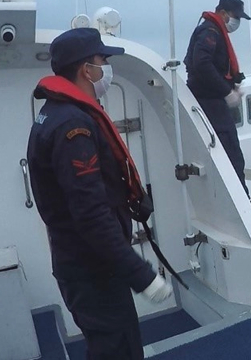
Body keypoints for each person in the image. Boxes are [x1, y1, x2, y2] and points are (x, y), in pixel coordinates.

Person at [27, 28, 173, 359]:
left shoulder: (57, 113)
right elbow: (90, 214)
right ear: (86, 70)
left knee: (118, 346)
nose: (107, 67)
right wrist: (141, 275)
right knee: (117, 350)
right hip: (92, 269)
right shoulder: (72, 126)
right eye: (102, 60)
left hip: (87, 262)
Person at [184, 0, 251, 228]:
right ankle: (245, 214)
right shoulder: (210, 32)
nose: (237, 23)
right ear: (224, 13)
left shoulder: (210, 30)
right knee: (232, 158)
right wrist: (226, 92)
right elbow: (201, 63)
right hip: (211, 103)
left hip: (210, 100)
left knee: (229, 157)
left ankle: (240, 209)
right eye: (236, 17)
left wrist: (231, 85)